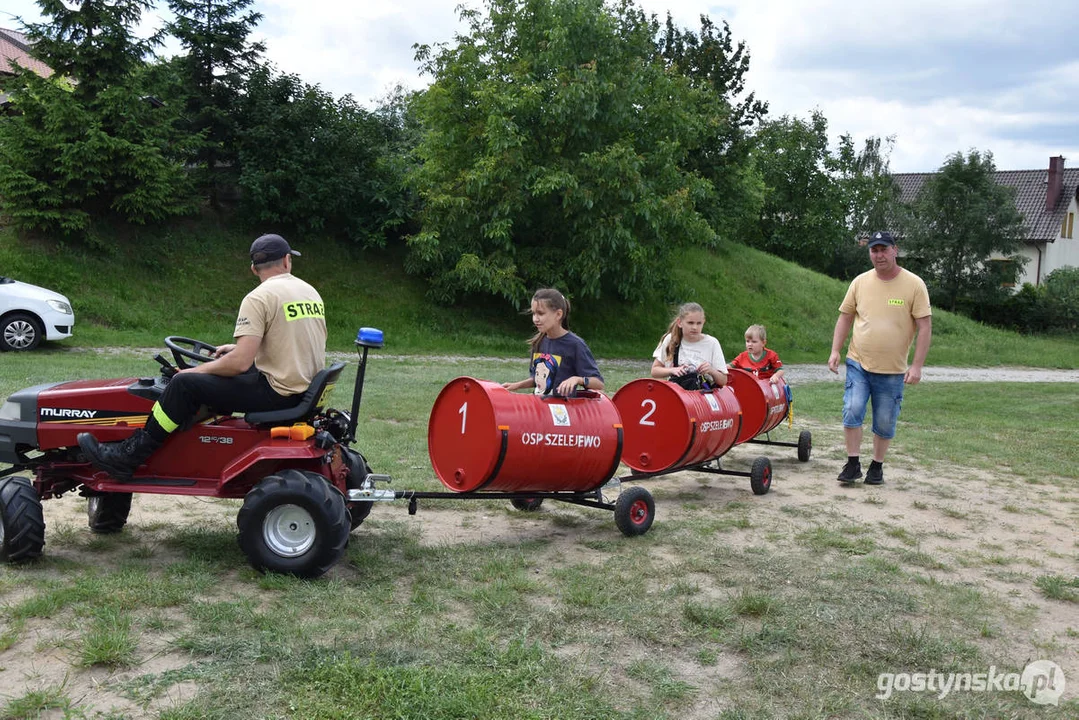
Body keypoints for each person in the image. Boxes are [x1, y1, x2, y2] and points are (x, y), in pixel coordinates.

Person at [78, 234, 327, 480]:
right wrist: (237, 347)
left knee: (182, 385)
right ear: (286, 260)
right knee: (203, 375)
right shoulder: (308, 292)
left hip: (277, 394)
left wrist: (193, 372)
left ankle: (128, 456)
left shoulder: (259, 297)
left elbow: (240, 364)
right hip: (301, 389)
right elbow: (290, 339)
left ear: (253, 268)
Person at [828, 231, 932, 486]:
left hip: (893, 369)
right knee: (852, 409)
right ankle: (853, 464)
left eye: (884, 249)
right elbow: (845, 317)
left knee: (885, 420)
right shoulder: (860, 282)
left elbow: (925, 326)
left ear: (895, 250)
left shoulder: (914, 284)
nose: (879, 255)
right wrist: (835, 350)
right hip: (858, 362)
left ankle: (876, 467)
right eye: (874, 250)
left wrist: (916, 366)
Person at [502, 288, 604, 396]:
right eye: (533, 313)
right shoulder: (538, 342)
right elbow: (537, 379)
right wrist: (516, 385)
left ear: (558, 314)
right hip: (539, 407)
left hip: (562, 411)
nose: (535, 319)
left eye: (540, 313)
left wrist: (576, 379)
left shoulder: (575, 345)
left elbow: (598, 383)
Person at [650, 302, 727, 389]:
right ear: (680, 323)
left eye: (699, 323)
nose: (695, 327)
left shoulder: (712, 343)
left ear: (703, 322)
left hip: (702, 395)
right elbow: (654, 371)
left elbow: (723, 380)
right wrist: (672, 370)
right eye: (690, 323)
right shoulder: (671, 339)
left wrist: (711, 371)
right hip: (677, 393)